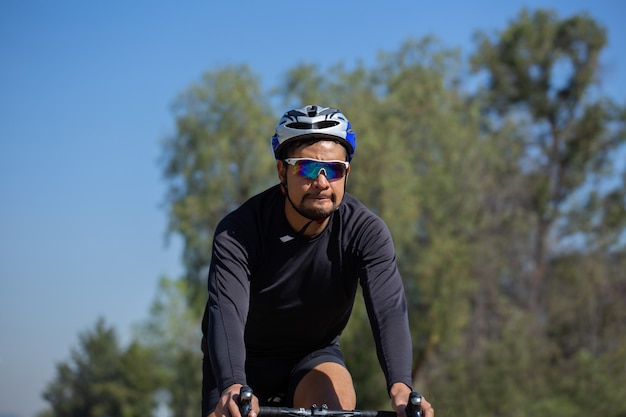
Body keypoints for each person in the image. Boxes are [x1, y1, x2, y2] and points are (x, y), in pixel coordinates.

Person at [201, 105, 434, 417]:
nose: (323, 182)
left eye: (334, 169)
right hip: (241, 360)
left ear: (346, 173)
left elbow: (389, 310)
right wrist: (231, 383)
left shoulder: (366, 231)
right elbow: (225, 312)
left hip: (314, 356)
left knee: (334, 399)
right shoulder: (239, 232)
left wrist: (401, 387)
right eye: (308, 168)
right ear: (282, 171)